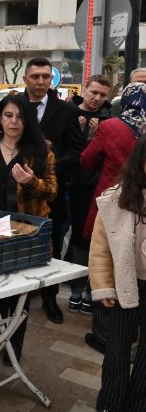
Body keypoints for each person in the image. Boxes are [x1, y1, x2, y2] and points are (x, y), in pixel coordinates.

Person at [0, 94, 57, 365]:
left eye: (20, 117)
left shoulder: (42, 148)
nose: (13, 121)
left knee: (19, 290)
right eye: (8, 115)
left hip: (25, 230)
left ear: (28, 120)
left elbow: (52, 191)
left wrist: (32, 182)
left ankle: (14, 343)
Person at [80, 81, 146, 355]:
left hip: (113, 202)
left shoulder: (110, 126)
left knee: (106, 263)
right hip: (141, 210)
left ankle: (105, 335)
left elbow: (86, 160)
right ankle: (132, 336)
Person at [21, 57, 84, 324]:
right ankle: (17, 297)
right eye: (35, 76)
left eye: (45, 77)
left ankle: (49, 297)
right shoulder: (14, 106)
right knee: (16, 242)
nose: (40, 81)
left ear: (52, 79)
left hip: (51, 190)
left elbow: (76, 150)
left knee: (52, 245)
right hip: (17, 190)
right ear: (25, 78)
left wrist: (51, 167)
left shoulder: (66, 111)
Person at [89, 135, 146, 412]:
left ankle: (138, 403)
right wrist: (104, 286)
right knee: (118, 346)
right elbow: (100, 248)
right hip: (127, 283)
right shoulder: (117, 199)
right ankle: (110, 402)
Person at [68, 74, 113, 315]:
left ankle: (87, 290)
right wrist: (81, 134)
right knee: (74, 238)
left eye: (102, 95)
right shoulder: (69, 113)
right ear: (85, 89)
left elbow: (105, 157)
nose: (97, 98)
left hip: (96, 187)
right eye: (93, 92)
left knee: (92, 240)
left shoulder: (109, 119)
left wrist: (93, 138)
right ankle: (74, 288)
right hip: (70, 184)